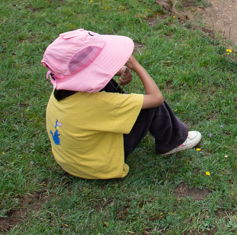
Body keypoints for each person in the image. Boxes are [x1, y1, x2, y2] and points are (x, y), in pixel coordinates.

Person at [42, 29, 201, 180]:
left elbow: (90, 72)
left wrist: (122, 70)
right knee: (149, 107)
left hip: (71, 161)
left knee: (104, 85)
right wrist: (135, 66)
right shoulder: (99, 103)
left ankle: (128, 119)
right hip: (99, 166)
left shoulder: (62, 90)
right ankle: (173, 141)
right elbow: (156, 98)